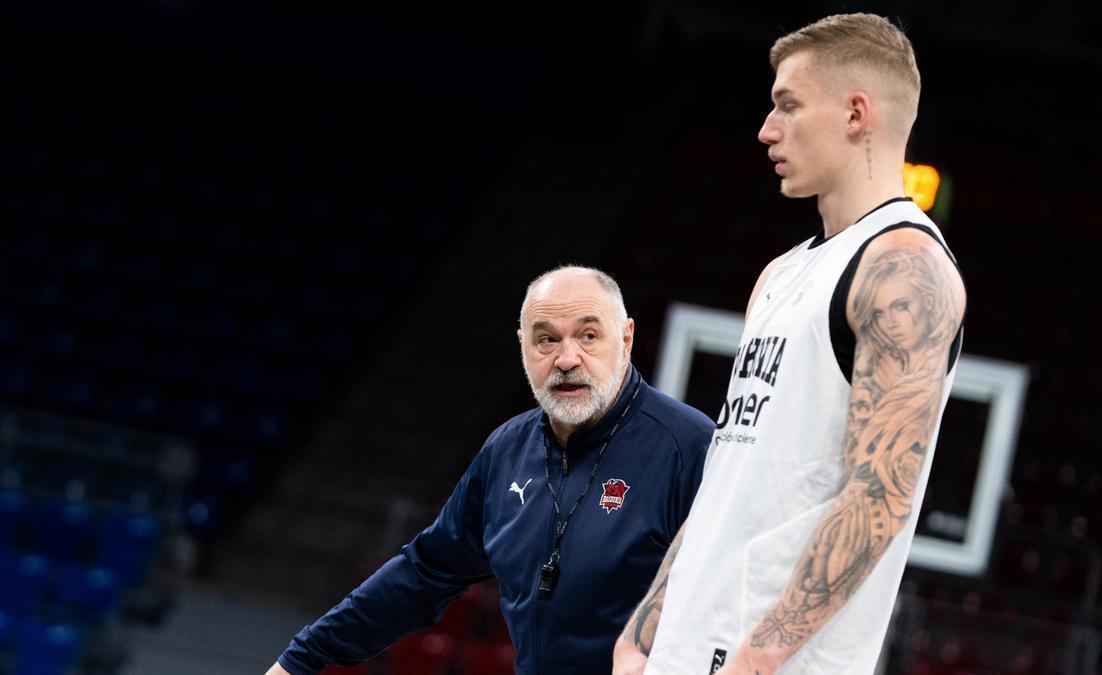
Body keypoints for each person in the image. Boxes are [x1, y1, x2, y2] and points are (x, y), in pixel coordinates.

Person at [613, 13, 966, 675]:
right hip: (688, 644)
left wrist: (754, 660)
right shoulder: (780, 273)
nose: (766, 129)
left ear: (857, 112)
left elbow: (878, 496)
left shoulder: (905, 268)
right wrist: (643, 628)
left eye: (788, 106)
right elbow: (734, 472)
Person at [266, 266, 714, 675]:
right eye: (546, 339)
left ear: (627, 337)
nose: (566, 358)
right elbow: (423, 573)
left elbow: (733, 599)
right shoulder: (506, 450)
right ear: (522, 344)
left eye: (589, 336)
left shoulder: (690, 447)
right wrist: (300, 659)